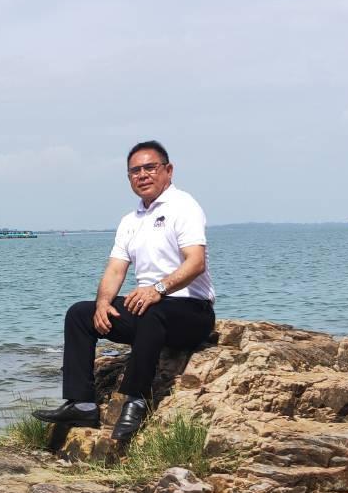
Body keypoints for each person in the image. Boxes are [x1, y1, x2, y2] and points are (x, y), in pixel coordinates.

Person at [33, 140, 216, 443]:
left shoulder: (184, 206)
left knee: (150, 308)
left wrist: (158, 289)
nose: (142, 175)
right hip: (150, 312)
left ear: (168, 170)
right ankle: (82, 404)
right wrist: (102, 304)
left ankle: (136, 399)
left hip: (191, 312)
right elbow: (116, 269)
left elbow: (196, 263)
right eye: (135, 171)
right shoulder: (131, 221)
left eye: (150, 168)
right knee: (80, 314)